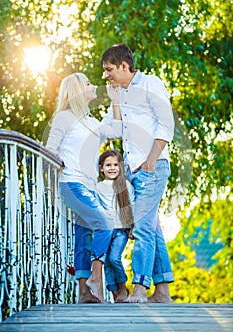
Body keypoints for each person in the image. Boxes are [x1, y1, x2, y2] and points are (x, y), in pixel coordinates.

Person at [101, 44, 175, 303]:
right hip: (133, 171)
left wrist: (152, 160)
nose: (106, 75)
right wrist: (115, 102)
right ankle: (163, 291)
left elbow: (167, 124)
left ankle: (140, 288)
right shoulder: (121, 93)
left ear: (124, 66)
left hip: (152, 167)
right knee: (152, 230)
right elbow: (112, 130)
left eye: (109, 69)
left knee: (143, 228)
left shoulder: (151, 84)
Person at [46, 73, 121, 303]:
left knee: (84, 235)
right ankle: (96, 277)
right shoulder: (64, 118)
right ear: (78, 90)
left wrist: (115, 100)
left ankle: (83, 293)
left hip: (89, 187)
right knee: (106, 222)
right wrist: (57, 158)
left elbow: (116, 131)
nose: (92, 86)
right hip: (71, 183)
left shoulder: (91, 122)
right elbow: (49, 149)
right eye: (87, 83)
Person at [66, 149, 135, 303]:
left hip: (121, 230)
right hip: (105, 231)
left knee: (114, 258)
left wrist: (133, 227)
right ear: (101, 168)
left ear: (121, 167)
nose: (112, 168)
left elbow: (133, 206)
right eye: (108, 165)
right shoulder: (98, 187)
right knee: (107, 262)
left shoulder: (126, 186)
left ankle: (123, 287)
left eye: (116, 165)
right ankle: (115, 293)